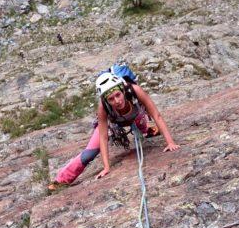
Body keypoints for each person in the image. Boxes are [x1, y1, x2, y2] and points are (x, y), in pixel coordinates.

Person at [48, 70, 179, 191]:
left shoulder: (135, 91)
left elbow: (156, 115)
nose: (117, 101)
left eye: (118, 95)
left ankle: (147, 130)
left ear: (122, 89)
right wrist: (106, 166)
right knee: (89, 154)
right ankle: (61, 180)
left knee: (140, 122)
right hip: (114, 122)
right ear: (105, 100)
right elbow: (103, 137)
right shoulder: (103, 107)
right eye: (111, 99)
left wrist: (170, 142)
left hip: (136, 115)